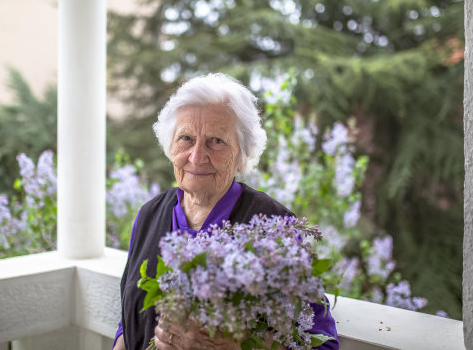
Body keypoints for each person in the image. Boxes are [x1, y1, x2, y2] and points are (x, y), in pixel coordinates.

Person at [113, 73, 339, 350]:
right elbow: (129, 320)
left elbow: (322, 344)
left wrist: (236, 343)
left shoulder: (276, 229)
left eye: (216, 141)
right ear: (170, 146)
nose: (197, 156)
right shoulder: (148, 215)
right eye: (186, 138)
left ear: (243, 155)